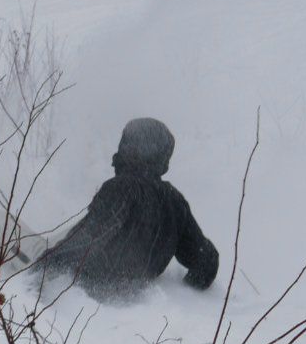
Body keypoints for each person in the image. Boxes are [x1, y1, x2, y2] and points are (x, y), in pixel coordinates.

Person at [34, 118, 219, 300]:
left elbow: (89, 238)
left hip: (87, 298)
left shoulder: (122, 188)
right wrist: (183, 295)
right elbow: (207, 262)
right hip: (131, 303)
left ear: (131, 148)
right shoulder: (175, 202)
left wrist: (40, 268)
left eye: (124, 143)